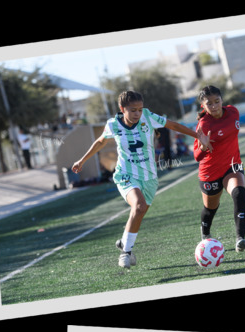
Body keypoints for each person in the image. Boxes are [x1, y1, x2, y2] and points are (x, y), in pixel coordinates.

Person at [71, 90, 213, 269]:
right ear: (122, 109)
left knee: (140, 212)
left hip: (149, 177)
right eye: (133, 110)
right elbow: (100, 142)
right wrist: (82, 160)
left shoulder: (147, 116)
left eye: (139, 109)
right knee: (138, 205)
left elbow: (173, 125)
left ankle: (124, 242)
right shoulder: (114, 124)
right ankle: (126, 253)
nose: (137, 113)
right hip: (126, 175)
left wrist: (198, 136)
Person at [194, 86, 245, 252]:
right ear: (203, 106)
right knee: (210, 209)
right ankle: (205, 233)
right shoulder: (203, 124)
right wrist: (203, 147)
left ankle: (240, 238)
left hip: (232, 166)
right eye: (209, 103)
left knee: (239, 193)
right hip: (210, 172)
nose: (214, 106)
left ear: (222, 100)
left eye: (216, 101)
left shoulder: (233, 112)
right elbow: (196, 156)